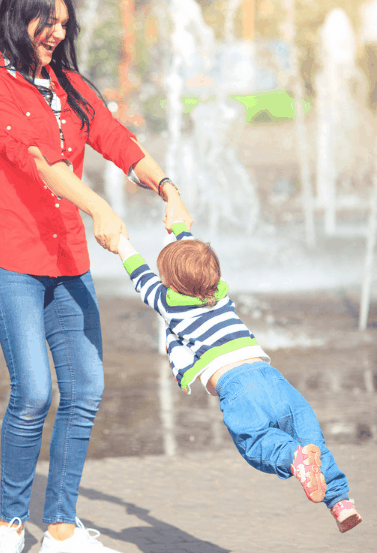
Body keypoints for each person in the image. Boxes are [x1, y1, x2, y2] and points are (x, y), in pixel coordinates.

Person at [0, 0, 192, 553]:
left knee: (85, 387)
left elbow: (114, 137)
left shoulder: (69, 83)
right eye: (48, 21)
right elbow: (33, 160)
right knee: (34, 391)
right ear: (19, 17)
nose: (58, 33)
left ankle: (61, 526)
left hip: (64, 258)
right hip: (6, 254)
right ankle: (11, 524)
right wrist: (100, 208)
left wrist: (167, 186)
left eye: (65, 23)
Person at [116, 222, 363, 534]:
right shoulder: (219, 293)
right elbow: (196, 258)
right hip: (273, 379)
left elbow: (140, 278)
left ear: (170, 285)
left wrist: (122, 243)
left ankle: (292, 457)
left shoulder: (168, 304)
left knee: (257, 442)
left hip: (238, 386)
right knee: (313, 442)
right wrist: (179, 225)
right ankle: (341, 503)